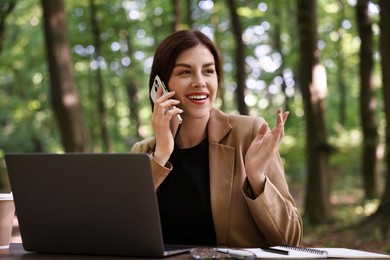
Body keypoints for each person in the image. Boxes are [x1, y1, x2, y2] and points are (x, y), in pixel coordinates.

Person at [131, 30, 302, 247]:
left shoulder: (250, 133)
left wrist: (257, 179)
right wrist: (161, 155)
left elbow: (291, 239)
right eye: (185, 72)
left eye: (208, 71)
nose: (200, 82)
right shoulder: (143, 152)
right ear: (161, 87)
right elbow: (125, 234)